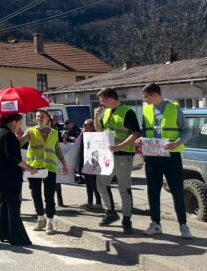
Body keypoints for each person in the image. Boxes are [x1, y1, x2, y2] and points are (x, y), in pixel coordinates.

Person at [138, 83, 193, 239]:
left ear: (155, 95)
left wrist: (177, 142)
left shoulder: (174, 108)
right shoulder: (147, 109)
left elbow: (187, 131)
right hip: (152, 156)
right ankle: (155, 224)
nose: (145, 100)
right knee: (153, 192)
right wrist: (142, 138)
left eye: (146, 97)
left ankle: (183, 226)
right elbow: (144, 129)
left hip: (172, 156)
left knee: (177, 191)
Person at [94, 87, 141, 234]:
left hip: (124, 155)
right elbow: (99, 131)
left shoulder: (128, 112)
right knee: (101, 183)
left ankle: (127, 219)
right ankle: (110, 212)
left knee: (124, 187)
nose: (101, 104)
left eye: (102, 100)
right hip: (108, 155)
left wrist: (119, 146)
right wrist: (96, 118)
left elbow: (135, 134)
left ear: (110, 99)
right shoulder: (106, 112)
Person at [0, 113, 38, 246]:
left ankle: (5, 233)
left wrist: (17, 140)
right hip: (9, 176)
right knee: (13, 206)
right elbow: (15, 158)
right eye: (19, 123)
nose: (20, 126)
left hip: (0, 175)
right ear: (13, 123)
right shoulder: (8, 136)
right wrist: (29, 167)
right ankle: (17, 237)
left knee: (5, 204)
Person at [21, 109, 68, 235]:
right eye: (37, 117)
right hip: (34, 168)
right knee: (36, 195)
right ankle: (40, 219)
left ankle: (50, 223)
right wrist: (19, 137)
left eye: (42, 116)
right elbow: (22, 140)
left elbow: (57, 149)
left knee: (49, 197)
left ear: (48, 119)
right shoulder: (30, 131)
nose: (39, 118)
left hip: (50, 168)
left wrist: (64, 164)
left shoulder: (54, 132)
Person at [77, 119, 107, 210]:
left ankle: (98, 202)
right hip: (85, 162)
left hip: (93, 162)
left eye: (88, 125)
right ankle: (89, 201)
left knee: (94, 184)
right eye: (84, 125)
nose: (85, 127)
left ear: (92, 126)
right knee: (88, 184)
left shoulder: (95, 135)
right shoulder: (83, 135)